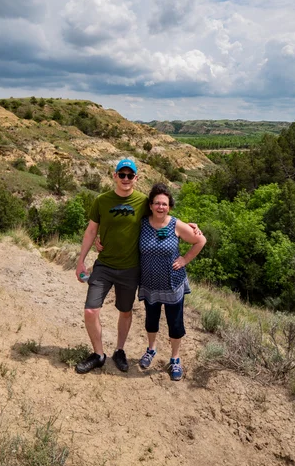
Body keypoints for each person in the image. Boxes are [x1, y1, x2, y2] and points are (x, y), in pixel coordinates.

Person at [74, 159, 147, 374]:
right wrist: (81, 260)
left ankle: (119, 350)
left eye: (129, 175)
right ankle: (98, 354)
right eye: (121, 174)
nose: (125, 179)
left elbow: (163, 217)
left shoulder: (143, 202)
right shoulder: (102, 201)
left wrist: (189, 228)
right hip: (104, 266)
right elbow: (91, 231)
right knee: (90, 310)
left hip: (130, 268)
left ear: (136, 177)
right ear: (114, 176)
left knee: (125, 311)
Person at [137, 183, 206, 380]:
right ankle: (151, 349)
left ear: (170, 207)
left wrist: (185, 259)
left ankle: (175, 358)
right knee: (151, 320)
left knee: (175, 323)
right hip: (149, 283)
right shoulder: (141, 224)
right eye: (157, 203)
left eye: (164, 204)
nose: (160, 207)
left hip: (172, 283)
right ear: (150, 205)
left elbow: (201, 241)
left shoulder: (176, 224)